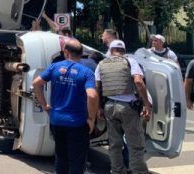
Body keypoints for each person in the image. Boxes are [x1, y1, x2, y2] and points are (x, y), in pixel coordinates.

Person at [32, 39, 98, 174]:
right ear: (81, 54)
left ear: (66, 52)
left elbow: (36, 83)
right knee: (77, 161)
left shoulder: (54, 67)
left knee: (61, 157)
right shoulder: (86, 72)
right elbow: (92, 96)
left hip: (57, 121)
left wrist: (44, 105)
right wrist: (91, 119)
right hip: (77, 123)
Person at [96, 40, 151, 174]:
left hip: (109, 106)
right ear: (124, 51)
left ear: (111, 49)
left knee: (114, 145)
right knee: (135, 144)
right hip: (127, 107)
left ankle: (116, 171)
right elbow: (138, 81)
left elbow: (96, 87)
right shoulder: (130, 61)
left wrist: (99, 108)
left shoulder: (101, 64)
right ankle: (138, 171)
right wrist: (146, 104)